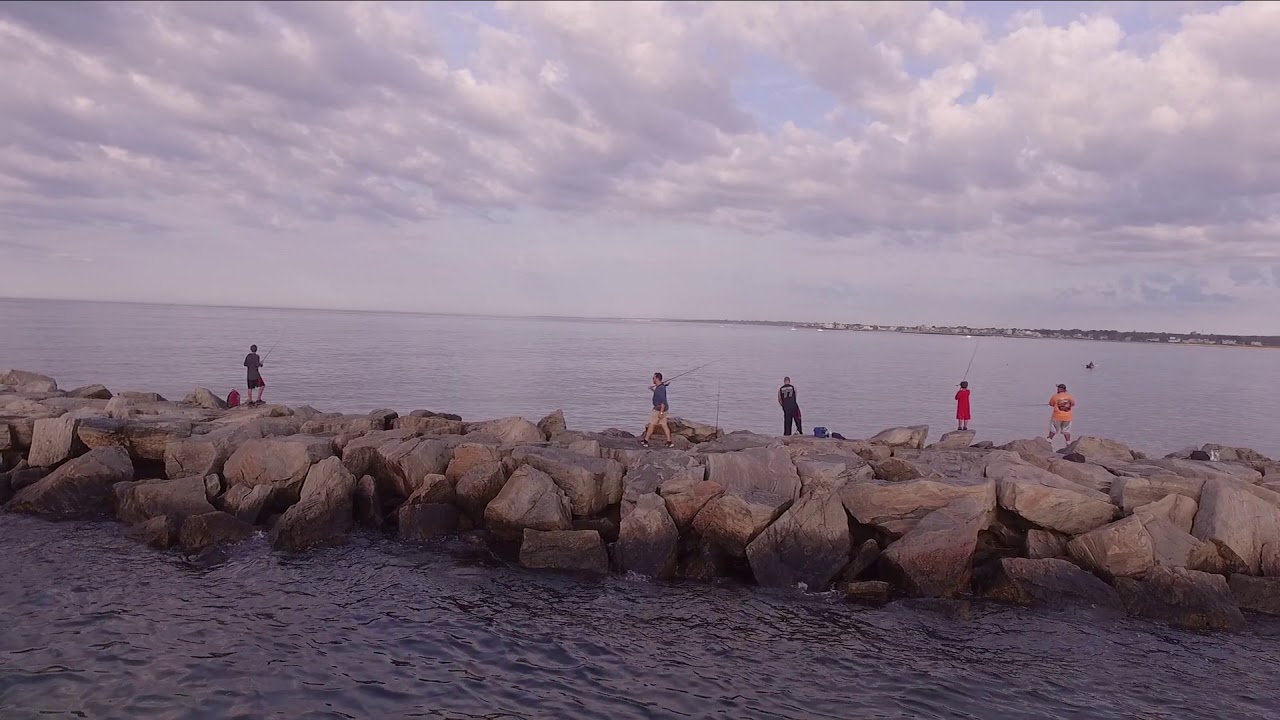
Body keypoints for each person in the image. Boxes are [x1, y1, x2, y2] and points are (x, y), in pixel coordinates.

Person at [641, 372, 673, 448]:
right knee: (664, 425)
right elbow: (658, 395)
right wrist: (652, 389)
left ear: (657, 378)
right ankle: (669, 442)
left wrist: (661, 412)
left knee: (651, 425)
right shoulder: (661, 387)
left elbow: (663, 401)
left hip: (658, 410)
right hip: (664, 409)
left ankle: (646, 441)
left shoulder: (661, 388)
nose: (653, 379)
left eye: (653, 378)